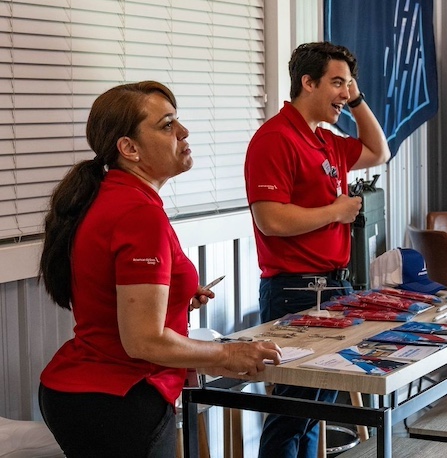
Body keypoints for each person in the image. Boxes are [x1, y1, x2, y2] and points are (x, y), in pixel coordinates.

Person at [37, 81, 281, 457]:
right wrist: (228, 355)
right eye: (167, 125)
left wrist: (178, 300)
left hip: (88, 392)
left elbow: (110, 295)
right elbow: (143, 341)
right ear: (129, 148)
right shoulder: (138, 214)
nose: (183, 132)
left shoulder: (115, 196)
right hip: (118, 397)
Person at [245, 41, 390, 458]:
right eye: (337, 83)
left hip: (332, 289)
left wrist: (358, 98)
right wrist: (335, 212)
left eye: (349, 85)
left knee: (311, 416)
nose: (345, 94)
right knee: (292, 414)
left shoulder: (325, 140)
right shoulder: (274, 138)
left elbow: (379, 150)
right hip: (296, 291)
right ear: (307, 83)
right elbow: (270, 219)